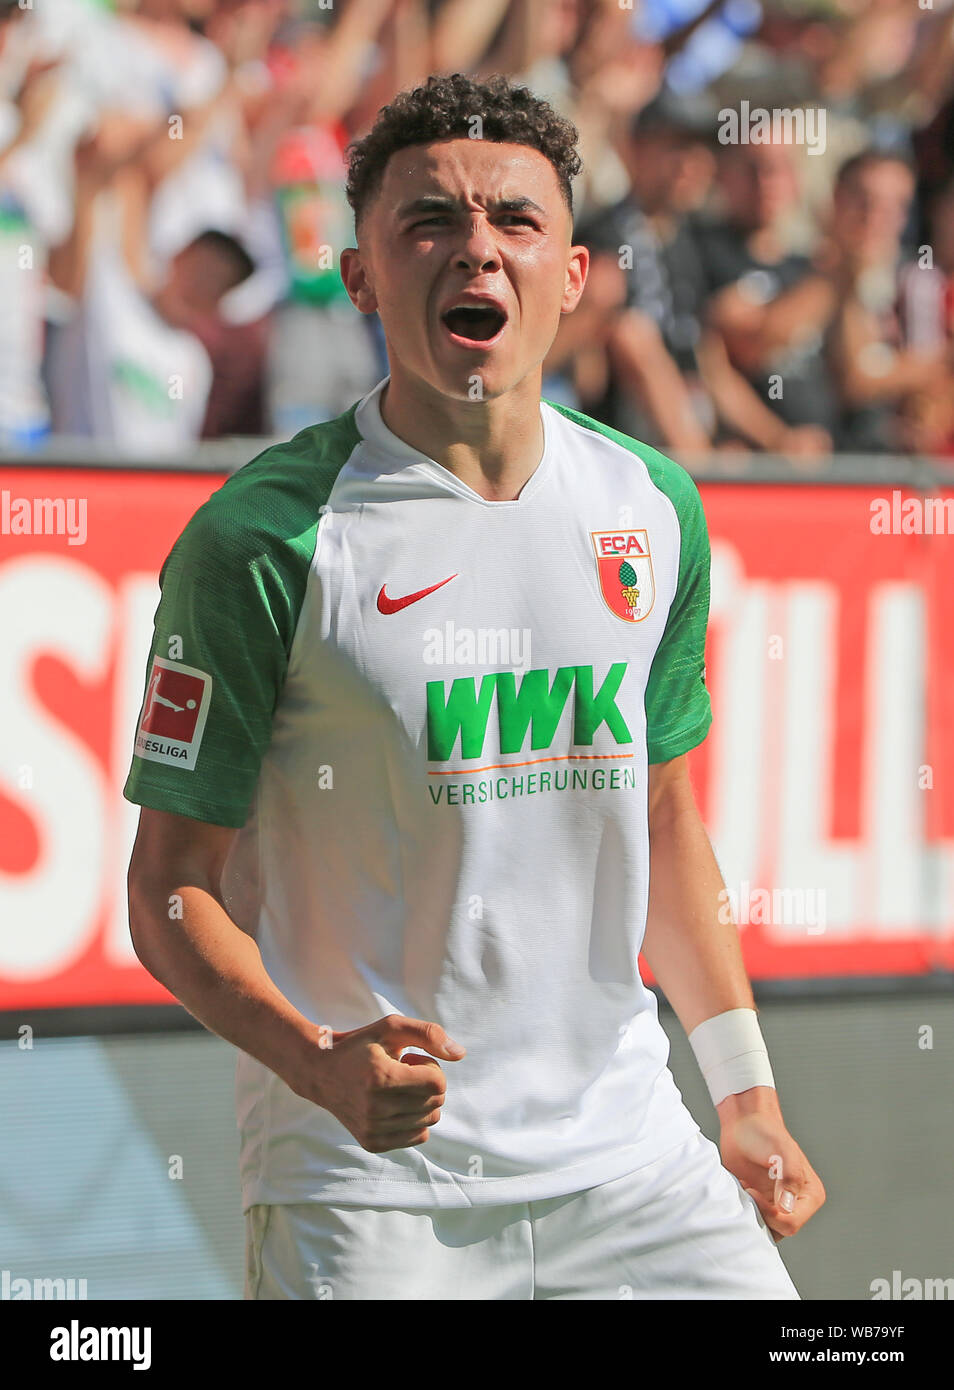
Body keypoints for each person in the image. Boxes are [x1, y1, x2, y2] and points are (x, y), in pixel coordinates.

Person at [124, 72, 825, 1301]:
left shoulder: (653, 507)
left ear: (574, 273)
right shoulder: (262, 540)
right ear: (359, 276)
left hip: (634, 1162)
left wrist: (748, 1094)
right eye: (429, 223)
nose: (476, 252)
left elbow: (662, 823)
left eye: (515, 221)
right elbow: (168, 890)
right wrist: (319, 1061)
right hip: (370, 1188)